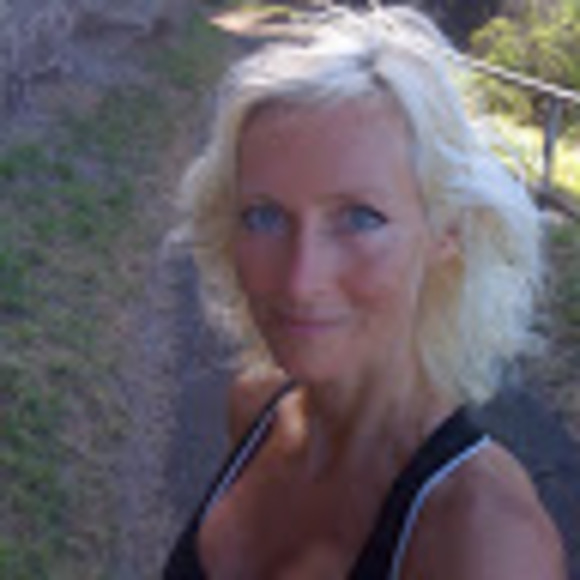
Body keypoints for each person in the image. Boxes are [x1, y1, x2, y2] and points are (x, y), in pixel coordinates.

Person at [164, 6, 566, 579]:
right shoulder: (255, 407)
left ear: (446, 232)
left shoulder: (485, 543)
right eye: (264, 216)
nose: (300, 280)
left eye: (359, 218)